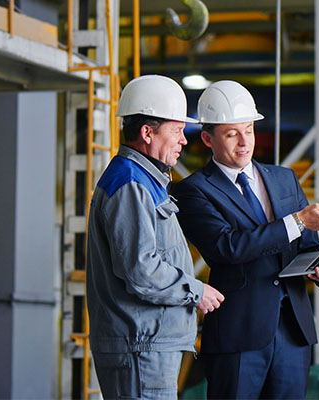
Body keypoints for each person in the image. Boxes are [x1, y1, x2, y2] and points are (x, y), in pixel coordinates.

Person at [171, 80, 319, 399]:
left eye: (249, 130)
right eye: (232, 134)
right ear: (207, 138)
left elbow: (308, 246)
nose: (245, 142)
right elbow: (228, 247)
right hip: (238, 336)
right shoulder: (193, 191)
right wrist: (297, 220)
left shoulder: (285, 179)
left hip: (293, 334)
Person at [86, 74, 225, 400]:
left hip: (146, 345)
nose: (183, 140)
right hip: (140, 347)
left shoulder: (144, 181)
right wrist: (196, 291)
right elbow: (141, 271)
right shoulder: (130, 185)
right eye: (177, 130)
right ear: (147, 132)